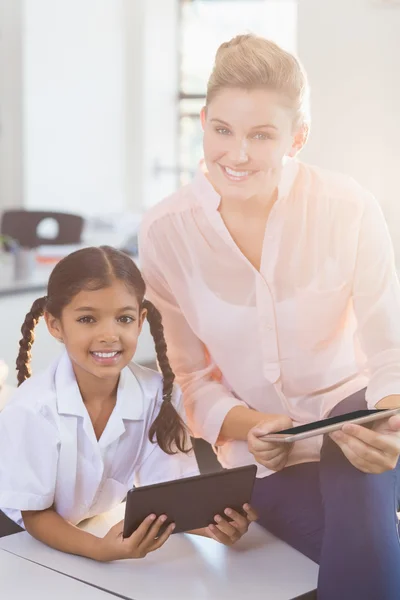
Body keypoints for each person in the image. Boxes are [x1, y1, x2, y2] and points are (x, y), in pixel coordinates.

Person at [139, 34, 400, 599]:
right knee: (367, 549)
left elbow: (389, 354)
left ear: (297, 138)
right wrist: (249, 424)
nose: (236, 154)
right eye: (223, 130)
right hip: (267, 463)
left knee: (351, 462)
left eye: (261, 135)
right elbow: (187, 380)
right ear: (203, 121)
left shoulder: (348, 208)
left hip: (361, 428)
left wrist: (396, 425)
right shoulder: (166, 233)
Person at [0, 246, 257, 560]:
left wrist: (209, 524)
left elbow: (168, 492)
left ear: (140, 321)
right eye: (87, 319)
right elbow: (35, 516)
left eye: (123, 318)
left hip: (88, 528)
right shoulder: (31, 409)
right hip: (17, 536)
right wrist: (99, 550)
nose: (109, 335)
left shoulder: (158, 395)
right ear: (55, 325)